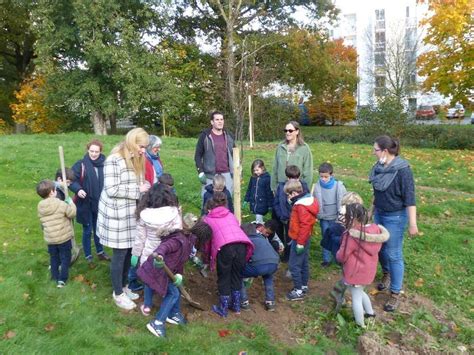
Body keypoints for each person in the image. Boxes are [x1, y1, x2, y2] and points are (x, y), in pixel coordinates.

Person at [97, 127, 151, 310]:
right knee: (119, 255)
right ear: (132, 142)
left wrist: (144, 185)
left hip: (131, 214)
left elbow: (137, 183)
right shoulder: (114, 160)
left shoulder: (138, 158)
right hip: (116, 216)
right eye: (141, 146)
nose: (144, 150)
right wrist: (138, 190)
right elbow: (112, 190)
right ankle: (117, 293)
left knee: (129, 251)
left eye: (145, 147)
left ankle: (125, 286)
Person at [369, 135, 418, 312]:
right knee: (379, 248)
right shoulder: (379, 168)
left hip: (395, 217)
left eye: (375, 150)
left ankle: (395, 293)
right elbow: (378, 192)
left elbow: (410, 199)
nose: (373, 153)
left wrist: (413, 224)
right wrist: (371, 210)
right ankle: (387, 274)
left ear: (385, 151)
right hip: (380, 214)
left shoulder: (403, 170)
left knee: (394, 253)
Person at [131, 184, 182, 316]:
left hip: (149, 254)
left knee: (149, 279)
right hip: (168, 254)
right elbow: (178, 235)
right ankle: (166, 301)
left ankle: (147, 305)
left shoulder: (144, 214)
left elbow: (140, 238)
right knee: (166, 278)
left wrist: (135, 254)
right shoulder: (174, 213)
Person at [138, 225, 197, 338]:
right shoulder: (178, 241)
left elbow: (180, 261)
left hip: (165, 271)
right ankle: (157, 323)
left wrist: (179, 275)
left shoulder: (189, 241)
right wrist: (159, 256)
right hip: (156, 269)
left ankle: (173, 314)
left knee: (177, 289)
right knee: (173, 293)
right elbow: (164, 247)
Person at [336, 203, 390, 328]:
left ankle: (360, 325)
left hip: (355, 273)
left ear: (353, 219)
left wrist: (338, 255)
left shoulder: (352, 236)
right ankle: (370, 314)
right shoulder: (375, 230)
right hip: (368, 271)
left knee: (356, 298)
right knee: (360, 292)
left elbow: (342, 255)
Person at [201, 192, 254, 317]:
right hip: (241, 244)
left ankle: (223, 308)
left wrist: (207, 258)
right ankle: (236, 306)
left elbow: (207, 242)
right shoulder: (230, 215)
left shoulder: (207, 220)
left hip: (225, 247)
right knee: (236, 275)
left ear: (209, 209)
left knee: (224, 276)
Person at [69, 139, 110, 264]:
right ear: (88, 150)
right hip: (85, 203)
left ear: (100, 152)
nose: (93, 154)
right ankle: (88, 255)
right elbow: (71, 180)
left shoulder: (106, 164)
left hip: (101, 203)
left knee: (99, 228)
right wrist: (78, 189)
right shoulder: (80, 165)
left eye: (96, 152)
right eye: (91, 151)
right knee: (88, 230)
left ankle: (100, 251)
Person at [322, 192, 363, 312]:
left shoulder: (343, 210)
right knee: (348, 272)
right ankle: (340, 292)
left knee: (346, 272)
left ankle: (340, 291)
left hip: (340, 247)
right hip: (344, 246)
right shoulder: (348, 213)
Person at [36, 179, 77, 288]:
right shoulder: (60, 204)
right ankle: (62, 280)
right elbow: (72, 214)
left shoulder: (40, 206)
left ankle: (54, 276)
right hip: (63, 238)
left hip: (50, 239)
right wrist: (71, 203)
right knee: (65, 258)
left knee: (54, 257)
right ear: (52, 192)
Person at [284, 179, 319, 301]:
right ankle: (304, 285)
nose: (288, 197)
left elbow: (305, 225)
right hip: (305, 237)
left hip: (300, 238)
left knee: (294, 265)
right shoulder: (306, 202)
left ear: (294, 193)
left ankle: (298, 290)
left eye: (288, 194)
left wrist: (299, 243)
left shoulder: (301, 207)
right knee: (303, 263)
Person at [273, 165, 310, 262]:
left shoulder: (303, 186)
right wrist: (281, 214)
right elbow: (276, 203)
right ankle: (287, 255)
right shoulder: (281, 187)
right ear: (287, 177)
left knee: (297, 237)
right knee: (288, 238)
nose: (294, 181)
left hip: (299, 219)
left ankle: (298, 256)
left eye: (296, 178)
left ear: (299, 177)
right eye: (291, 178)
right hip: (286, 218)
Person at [239, 223, 280, 311]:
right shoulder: (262, 238)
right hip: (274, 263)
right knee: (268, 276)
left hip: (259, 266)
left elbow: (243, 257)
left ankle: (244, 301)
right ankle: (270, 302)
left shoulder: (246, 240)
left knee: (237, 273)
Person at [313, 162, 347, 267]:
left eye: (326, 177)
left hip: (336, 217)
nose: (323, 179)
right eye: (321, 176)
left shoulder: (339, 186)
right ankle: (326, 259)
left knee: (338, 237)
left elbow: (345, 201)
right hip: (324, 217)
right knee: (326, 236)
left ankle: (339, 257)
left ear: (331, 175)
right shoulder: (317, 186)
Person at [194, 111, 235, 195]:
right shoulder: (205, 136)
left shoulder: (229, 135)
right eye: (217, 120)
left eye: (221, 119)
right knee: (208, 202)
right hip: (210, 175)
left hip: (226, 174)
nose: (220, 121)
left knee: (226, 201)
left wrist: (237, 170)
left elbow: (234, 154)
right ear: (212, 122)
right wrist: (200, 172)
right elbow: (197, 156)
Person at [271, 120, 313, 192]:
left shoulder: (304, 148)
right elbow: (275, 168)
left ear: (297, 131)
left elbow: (308, 171)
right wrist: (274, 187)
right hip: (281, 186)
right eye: (286, 130)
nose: (287, 133)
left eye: (290, 131)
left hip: (297, 187)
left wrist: (305, 189)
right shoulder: (280, 147)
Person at [243, 159, 273, 224]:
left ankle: (260, 227)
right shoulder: (253, 177)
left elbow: (269, 192)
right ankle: (258, 224)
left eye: (257, 170)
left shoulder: (267, 178)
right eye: (254, 170)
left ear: (262, 168)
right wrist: (246, 199)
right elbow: (249, 189)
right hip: (254, 201)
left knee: (259, 214)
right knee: (256, 213)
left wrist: (270, 204)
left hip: (262, 202)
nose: (256, 172)